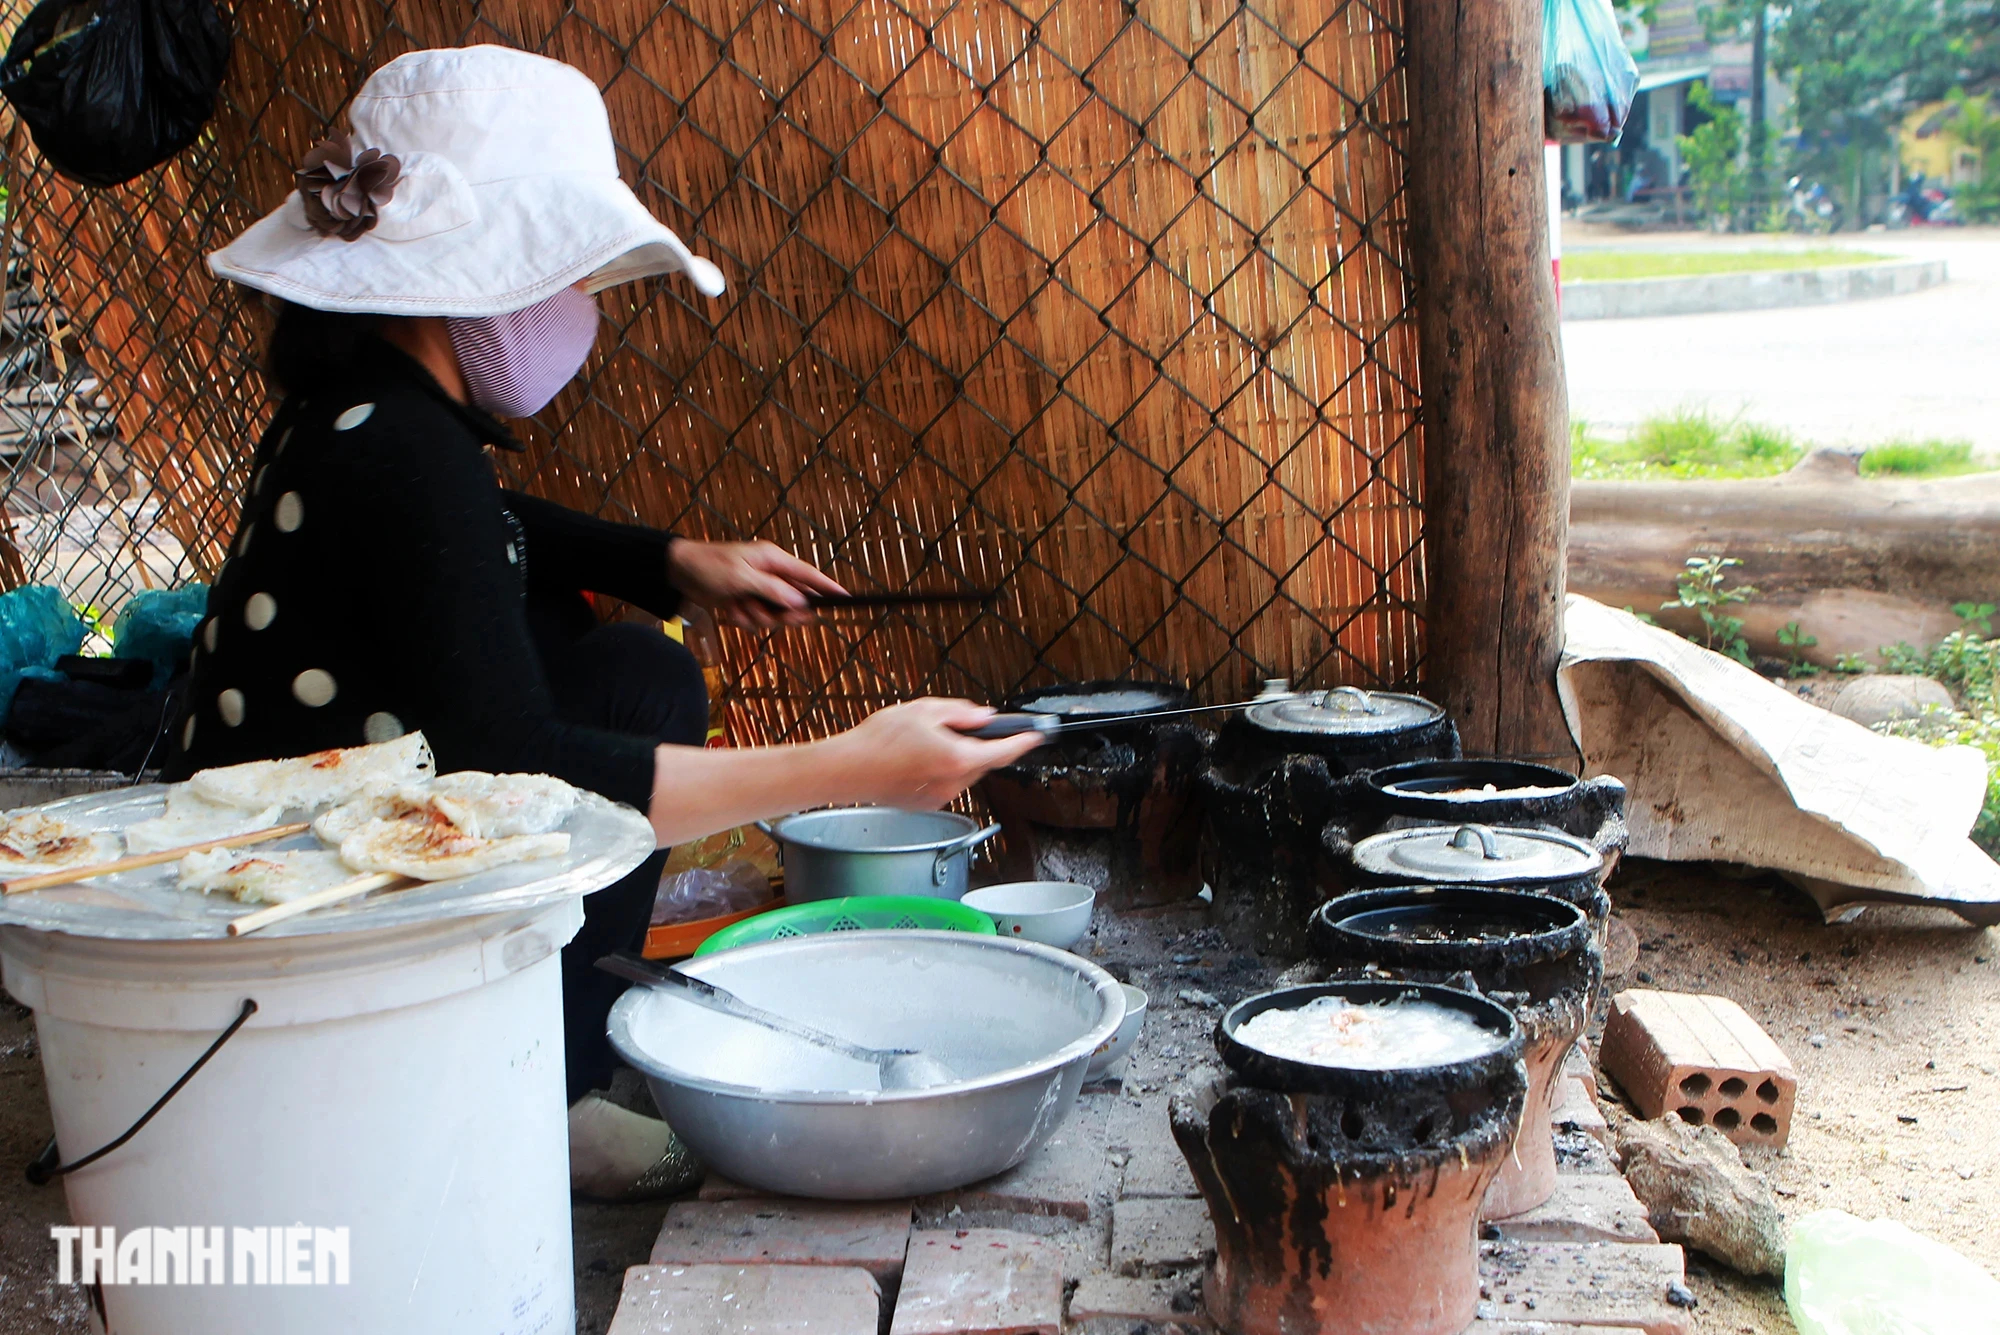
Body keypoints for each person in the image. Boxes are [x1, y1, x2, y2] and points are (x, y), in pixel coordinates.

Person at [183, 45, 1043, 1196]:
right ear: (471, 275)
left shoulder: (358, 416)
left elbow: (480, 530)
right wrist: (842, 767)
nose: (578, 308)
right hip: (309, 915)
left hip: (305, 846)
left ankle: (558, 1063)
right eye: (567, 275)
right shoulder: (403, 451)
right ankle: (531, 1099)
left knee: (638, 670)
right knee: (618, 703)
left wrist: (666, 562)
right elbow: (517, 764)